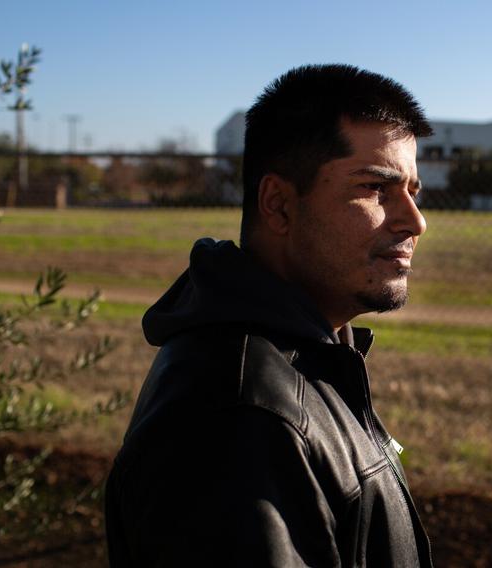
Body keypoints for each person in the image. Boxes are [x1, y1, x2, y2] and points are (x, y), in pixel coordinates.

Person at [105, 64, 434, 567]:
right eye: (375, 189)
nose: (415, 221)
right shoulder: (240, 422)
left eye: (413, 191)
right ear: (278, 205)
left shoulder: (311, 357)